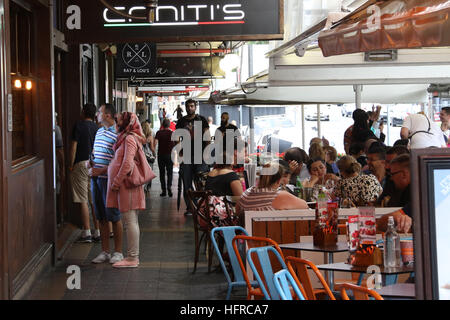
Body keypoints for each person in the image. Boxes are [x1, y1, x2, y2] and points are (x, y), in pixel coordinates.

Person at [106, 112, 146, 268]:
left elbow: (127, 164)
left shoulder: (129, 139)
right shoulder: (126, 138)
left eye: (119, 121)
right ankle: (132, 256)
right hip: (126, 186)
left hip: (126, 186)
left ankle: (132, 258)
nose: (117, 124)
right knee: (130, 221)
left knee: (130, 221)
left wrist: (116, 182)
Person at [89, 103, 124, 265]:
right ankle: (104, 251)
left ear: (108, 115)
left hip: (108, 180)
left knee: (114, 216)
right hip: (95, 179)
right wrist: (91, 163)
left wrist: (101, 170)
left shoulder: (118, 133)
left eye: (100, 112)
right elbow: (96, 153)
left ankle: (118, 252)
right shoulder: (98, 131)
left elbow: (119, 161)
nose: (97, 114)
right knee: (101, 216)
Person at [69, 103, 100, 243]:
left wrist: (70, 164)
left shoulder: (79, 125)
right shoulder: (97, 128)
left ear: (83, 112)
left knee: (83, 199)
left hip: (81, 163)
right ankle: (97, 231)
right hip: (94, 164)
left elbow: (73, 146)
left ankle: (87, 232)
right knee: (93, 200)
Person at [175, 99, 211, 215]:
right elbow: (176, 137)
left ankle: (202, 206)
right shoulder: (181, 121)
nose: (190, 108)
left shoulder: (201, 120)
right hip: (186, 156)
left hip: (200, 155)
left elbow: (207, 137)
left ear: (195, 107)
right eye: (188, 106)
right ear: (185, 108)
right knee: (187, 182)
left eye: (192, 106)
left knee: (201, 182)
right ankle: (191, 207)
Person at [236, 162, 308, 215]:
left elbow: (237, 211)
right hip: (267, 234)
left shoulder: (247, 192)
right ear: (278, 180)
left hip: (244, 234)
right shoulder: (278, 196)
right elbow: (305, 206)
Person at [376, 154, 412, 233]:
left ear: (404, 174)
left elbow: (381, 224)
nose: (391, 178)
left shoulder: (417, 196)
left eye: (392, 174)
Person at [154, 118, 174, 197]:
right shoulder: (172, 133)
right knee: (170, 172)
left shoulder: (159, 133)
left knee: (162, 173)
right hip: (169, 155)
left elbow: (155, 143)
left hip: (161, 155)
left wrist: (153, 152)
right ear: (169, 125)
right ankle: (169, 187)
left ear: (162, 124)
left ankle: (164, 191)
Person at [55, 112, 65, 226]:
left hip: (53, 165)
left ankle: (57, 218)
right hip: (54, 165)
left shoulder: (56, 129)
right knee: (56, 191)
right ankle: (57, 219)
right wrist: (63, 168)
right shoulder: (56, 129)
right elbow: (60, 151)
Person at [141, 120, 156, 192]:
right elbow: (152, 147)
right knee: (149, 171)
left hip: (141, 154)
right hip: (149, 155)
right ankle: (147, 187)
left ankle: (142, 185)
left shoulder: (139, 135)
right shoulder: (150, 136)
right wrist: (154, 154)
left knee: (142, 170)